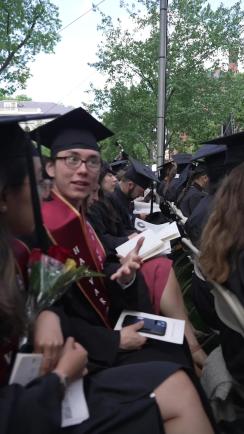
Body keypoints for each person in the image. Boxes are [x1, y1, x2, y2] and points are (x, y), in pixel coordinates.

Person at [0, 116, 216, 434]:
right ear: (49, 170)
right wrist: (113, 340)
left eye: (91, 161)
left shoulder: (80, 221)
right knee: (169, 364)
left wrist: (124, 276)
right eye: (71, 159)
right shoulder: (39, 230)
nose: (84, 170)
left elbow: (93, 283)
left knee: (172, 347)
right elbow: (58, 315)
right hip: (70, 363)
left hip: (75, 353)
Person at [0, 118, 88, 434]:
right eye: (39, 183)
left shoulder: (16, 254)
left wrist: (45, 312)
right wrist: (60, 377)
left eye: (93, 162)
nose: (45, 195)